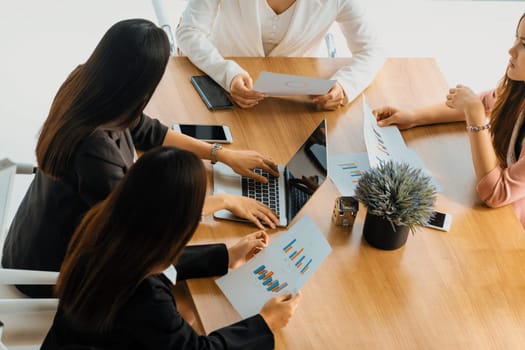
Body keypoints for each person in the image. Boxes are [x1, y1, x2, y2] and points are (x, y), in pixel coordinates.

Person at [1, 19, 280, 298]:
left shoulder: (89, 86)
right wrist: (226, 208)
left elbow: (148, 131)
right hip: (51, 271)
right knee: (191, 303)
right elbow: (142, 231)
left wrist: (221, 154)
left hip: (33, 237)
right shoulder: (95, 151)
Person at [41, 146, 301, 349]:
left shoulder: (105, 224)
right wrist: (265, 322)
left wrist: (225, 256)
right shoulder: (146, 296)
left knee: (188, 310)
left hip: (72, 338)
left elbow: (147, 257)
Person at [373, 12, 525, 228]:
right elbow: (483, 102)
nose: (511, 50)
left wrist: (474, 115)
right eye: (516, 38)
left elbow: (496, 193)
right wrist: (414, 117)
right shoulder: (517, 88)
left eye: (524, 44)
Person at [175, 0, 384, 110]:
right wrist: (226, 74)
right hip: (220, 91)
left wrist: (343, 87)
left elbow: (372, 49)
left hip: (291, 103)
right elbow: (189, 31)